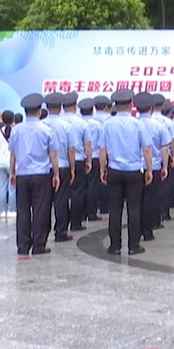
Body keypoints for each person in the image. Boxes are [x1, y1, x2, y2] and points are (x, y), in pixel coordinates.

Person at [100, 89, 153, 255]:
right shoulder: (138, 124)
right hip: (133, 171)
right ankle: (134, 245)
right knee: (134, 209)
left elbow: (102, 150)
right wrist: (149, 169)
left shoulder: (108, 124)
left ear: (115, 105)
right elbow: (146, 149)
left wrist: (102, 169)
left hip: (114, 170)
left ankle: (115, 245)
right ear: (131, 105)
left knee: (115, 210)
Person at [10, 94, 60, 255]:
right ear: (39, 111)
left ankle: (23, 246)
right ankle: (39, 244)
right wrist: (56, 174)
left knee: (23, 210)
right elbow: (53, 154)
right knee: (41, 210)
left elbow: (13, 153)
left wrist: (12, 172)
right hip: (41, 174)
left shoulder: (16, 130)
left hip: (22, 174)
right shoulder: (46, 130)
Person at [43, 93, 79, 242]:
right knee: (61, 200)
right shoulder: (66, 126)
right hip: (63, 166)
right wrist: (72, 168)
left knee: (44, 202)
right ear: (60, 108)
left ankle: (42, 232)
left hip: (45, 168)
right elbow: (71, 150)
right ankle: (61, 231)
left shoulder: (42, 124)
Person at [138, 93, 171, 241]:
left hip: (137, 168)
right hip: (155, 167)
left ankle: (136, 231)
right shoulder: (159, 126)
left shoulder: (134, 124)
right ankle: (148, 230)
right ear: (151, 108)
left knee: (136, 201)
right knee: (150, 200)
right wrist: (165, 166)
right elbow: (164, 148)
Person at [61, 93, 90, 231]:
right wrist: (88, 160)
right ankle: (76, 222)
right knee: (78, 192)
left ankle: (62, 223)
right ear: (75, 106)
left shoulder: (60, 122)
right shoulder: (82, 123)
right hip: (78, 160)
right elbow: (87, 144)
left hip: (61, 162)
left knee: (62, 195)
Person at [88, 95, 113, 218]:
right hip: (101, 154)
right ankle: (104, 206)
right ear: (105, 106)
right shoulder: (108, 120)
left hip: (88, 155)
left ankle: (90, 209)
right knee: (103, 182)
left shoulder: (89, 120)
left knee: (90, 185)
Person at [0, 110, 16, 218]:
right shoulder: (16, 131)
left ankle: (2, 210)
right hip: (13, 163)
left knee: (2, 187)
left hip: (1, 163)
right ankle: (12, 210)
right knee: (12, 187)